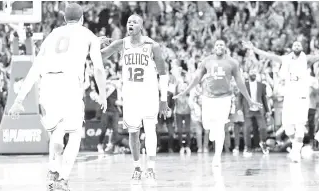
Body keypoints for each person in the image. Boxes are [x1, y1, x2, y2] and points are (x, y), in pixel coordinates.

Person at [8, 3, 107, 191]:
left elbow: (35, 68)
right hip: (69, 83)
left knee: (57, 131)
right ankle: (62, 179)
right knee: (75, 133)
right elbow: (99, 68)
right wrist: (102, 94)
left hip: (47, 84)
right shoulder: (88, 35)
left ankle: (53, 165)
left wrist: (19, 99)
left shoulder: (52, 35)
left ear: (64, 18)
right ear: (82, 18)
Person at [100, 14, 169, 181]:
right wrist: (95, 43)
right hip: (130, 97)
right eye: (129, 21)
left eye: (135, 21)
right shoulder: (122, 43)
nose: (131, 23)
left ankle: (151, 168)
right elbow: (99, 56)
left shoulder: (152, 45)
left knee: (150, 130)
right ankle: (137, 167)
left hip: (149, 95)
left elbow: (163, 73)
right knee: (133, 133)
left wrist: (164, 99)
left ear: (141, 26)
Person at [174, 39, 262, 167]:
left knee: (220, 127)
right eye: (217, 45)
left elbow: (240, 82)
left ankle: (217, 157)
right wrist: (186, 91)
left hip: (224, 98)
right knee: (206, 125)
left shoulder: (232, 62)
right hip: (208, 97)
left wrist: (249, 99)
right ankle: (212, 130)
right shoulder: (206, 61)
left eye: (221, 44)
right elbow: (197, 78)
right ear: (214, 48)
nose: (219, 46)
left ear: (225, 48)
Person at [243, 41, 319, 163]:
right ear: (292, 48)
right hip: (289, 97)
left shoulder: (307, 59)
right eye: (295, 44)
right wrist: (254, 49)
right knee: (288, 127)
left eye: (299, 45)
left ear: (302, 48)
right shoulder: (285, 60)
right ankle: (295, 146)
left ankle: (296, 151)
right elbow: (269, 56)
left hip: (302, 97)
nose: (297, 46)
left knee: (299, 125)